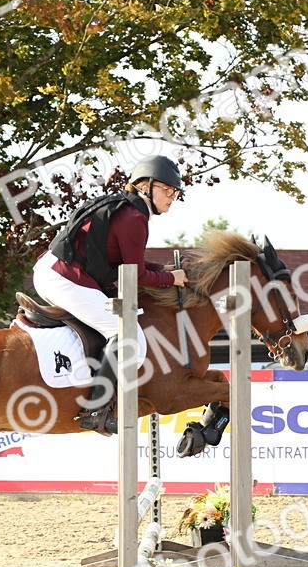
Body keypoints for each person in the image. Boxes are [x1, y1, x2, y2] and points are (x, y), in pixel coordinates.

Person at [31, 155, 189, 435]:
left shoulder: (126, 210)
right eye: (167, 190)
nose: (171, 197)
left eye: (174, 192)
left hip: (55, 271)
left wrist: (163, 270)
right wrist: (170, 278)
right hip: (62, 279)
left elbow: (131, 266)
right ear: (145, 186)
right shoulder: (135, 218)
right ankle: (96, 409)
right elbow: (136, 277)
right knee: (128, 333)